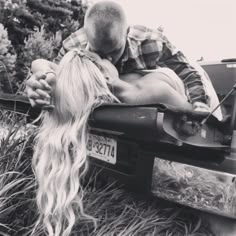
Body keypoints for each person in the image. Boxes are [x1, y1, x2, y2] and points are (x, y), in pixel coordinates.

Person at [25, 0, 222, 120]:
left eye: (114, 51)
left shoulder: (151, 42)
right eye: (99, 52)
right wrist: (43, 84)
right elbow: (57, 76)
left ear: (126, 33)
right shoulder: (74, 45)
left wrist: (199, 104)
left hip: (144, 93)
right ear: (87, 35)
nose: (107, 59)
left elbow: (187, 71)